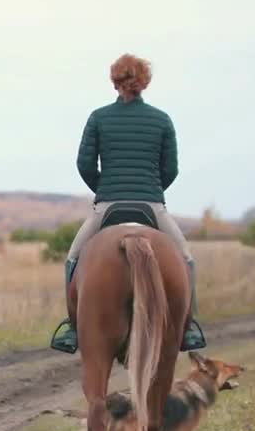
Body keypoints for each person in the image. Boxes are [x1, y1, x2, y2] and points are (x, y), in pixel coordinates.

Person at [50, 54, 206, 353]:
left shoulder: (98, 117)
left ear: (115, 82)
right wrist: (151, 190)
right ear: (144, 82)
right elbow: (170, 169)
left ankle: (72, 329)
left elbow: (84, 164)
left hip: (108, 205)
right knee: (186, 258)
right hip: (152, 206)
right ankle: (189, 329)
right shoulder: (162, 120)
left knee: (72, 258)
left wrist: (106, 190)